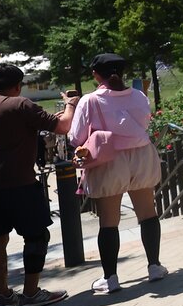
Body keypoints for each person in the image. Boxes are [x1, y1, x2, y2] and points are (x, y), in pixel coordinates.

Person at [0, 62, 77, 306]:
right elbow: (64, 127)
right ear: (16, 86)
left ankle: (3, 297)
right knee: (36, 236)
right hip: (16, 183)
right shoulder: (20, 104)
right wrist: (70, 104)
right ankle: (31, 294)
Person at [69, 53, 165, 293]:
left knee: (109, 220)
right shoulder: (139, 96)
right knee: (147, 213)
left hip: (109, 159)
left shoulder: (90, 101)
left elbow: (75, 137)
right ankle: (154, 266)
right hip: (141, 153)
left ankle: (110, 278)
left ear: (95, 74)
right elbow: (144, 123)